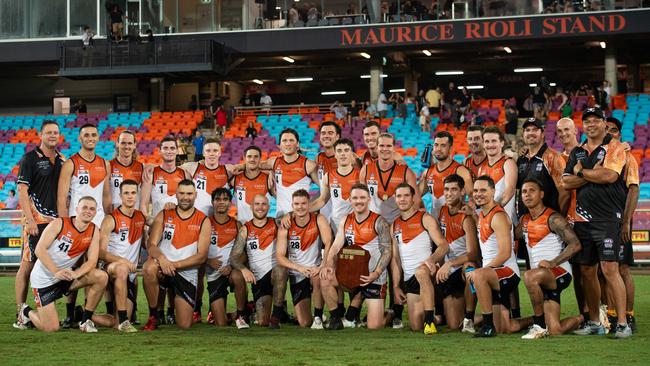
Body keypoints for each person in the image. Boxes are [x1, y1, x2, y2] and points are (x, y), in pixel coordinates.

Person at [562, 107, 632, 338]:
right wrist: (591, 173)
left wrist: (581, 173)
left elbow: (610, 176)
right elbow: (566, 183)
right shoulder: (578, 150)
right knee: (586, 270)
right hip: (583, 219)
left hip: (608, 218)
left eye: (595, 120)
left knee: (610, 268)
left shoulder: (616, 147)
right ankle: (595, 322)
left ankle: (622, 323)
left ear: (603, 123)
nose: (591, 124)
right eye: (587, 121)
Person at [18, 197, 108, 333]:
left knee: (101, 276)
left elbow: (91, 261)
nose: (88, 211)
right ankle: (26, 312)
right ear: (76, 209)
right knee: (51, 328)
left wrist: (76, 274)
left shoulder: (94, 230)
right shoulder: (60, 223)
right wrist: (55, 271)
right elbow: (39, 249)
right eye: (84, 207)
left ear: (95, 212)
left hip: (66, 277)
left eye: (92, 209)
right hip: (44, 280)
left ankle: (85, 320)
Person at [516, 179, 583, 339]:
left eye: (532, 191)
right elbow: (509, 235)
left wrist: (553, 262)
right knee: (555, 330)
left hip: (558, 272)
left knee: (529, 276)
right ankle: (585, 318)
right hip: (541, 279)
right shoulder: (524, 220)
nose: (527, 195)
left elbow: (575, 244)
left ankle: (538, 325)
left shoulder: (553, 218)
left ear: (541, 194)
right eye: (524, 192)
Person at [13, 120, 64, 330]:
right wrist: (31, 219)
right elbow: (23, 191)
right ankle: (21, 312)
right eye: (49, 132)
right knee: (27, 266)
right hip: (37, 223)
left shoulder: (62, 159)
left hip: (57, 224)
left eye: (56, 132)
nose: (52, 135)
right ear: (41, 135)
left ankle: (45, 308)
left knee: (52, 265)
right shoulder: (30, 159)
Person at [320, 183, 392, 330]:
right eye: (355, 198)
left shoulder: (379, 221)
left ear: (369, 199)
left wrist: (376, 273)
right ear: (350, 200)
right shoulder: (345, 220)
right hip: (351, 275)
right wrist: (327, 264)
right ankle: (335, 319)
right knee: (325, 277)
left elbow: (387, 251)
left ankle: (390, 314)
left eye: (362, 198)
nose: (358, 201)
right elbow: (336, 245)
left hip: (373, 278)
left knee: (374, 326)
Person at [465, 176, 531, 337]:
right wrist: (473, 215)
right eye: (475, 190)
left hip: (506, 271)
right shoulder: (482, 214)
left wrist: (482, 271)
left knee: (477, 274)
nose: (478, 194)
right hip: (492, 274)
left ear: (493, 192)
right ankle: (537, 319)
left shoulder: (498, 216)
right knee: (506, 328)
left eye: (483, 190)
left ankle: (487, 327)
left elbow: (505, 253)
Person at [142, 180, 211, 330]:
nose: (185, 197)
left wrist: (175, 265)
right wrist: (162, 259)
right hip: (163, 267)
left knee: (184, 325)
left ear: (195, 195)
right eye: (182, 193)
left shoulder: (203, 220)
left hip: (185, 271)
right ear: (176, 195)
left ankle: (177, 304)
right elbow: (151, 245)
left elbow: (202, 256)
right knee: (148, 268)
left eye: (189, 194)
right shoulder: (165, 214)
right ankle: (153, 315)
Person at [390, 183, 449, 333]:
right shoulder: (394, 225)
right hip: (409, 279)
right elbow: (395, 259)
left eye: (406, 195)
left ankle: (430, 322)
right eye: (399, 196)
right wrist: (396, 286)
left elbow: (443, 245)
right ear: (395, 199)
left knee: (421, 272)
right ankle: (439, 318)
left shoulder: (425, 218)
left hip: (427, 272)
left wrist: (431, 260)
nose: (402, 199)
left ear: (413, 198)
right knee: (416, 326)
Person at [276, 189, 333, 328]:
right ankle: (313, 316)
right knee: (304, 322)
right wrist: (299, 268)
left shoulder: (319, 219)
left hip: (315, 269)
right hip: (298, 273)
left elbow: (328, 242)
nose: (300, 207)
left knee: (318, 276)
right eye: (297, 204)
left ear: (309, 204)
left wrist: (322, 266)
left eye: (303, 203)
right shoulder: (286, 226)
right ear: (292, 205)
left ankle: (318, 316)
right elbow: (279, 256)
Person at [229, 194, 288, 328]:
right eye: (257, 204)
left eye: (263, 204)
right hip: (258, 278)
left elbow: (296, 213)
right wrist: (244, 269)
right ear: (251, 207)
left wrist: (289, 215)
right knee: (262, 322)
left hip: (274, 273)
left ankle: (277, 315)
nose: (260, 207)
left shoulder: (276, 223)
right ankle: (250, 309)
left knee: (281, 270)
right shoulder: (245, 229)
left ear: (268, 207)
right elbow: (234, 257)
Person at [605, 117, 639, 332]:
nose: (609, 133)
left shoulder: (627, 158)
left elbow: (634, 190)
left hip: (619, 220)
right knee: (606, 269)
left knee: (623, 269)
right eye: (606, 129)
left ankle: (628, 315)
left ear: (619, 134)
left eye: (614, 130)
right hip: (601, 220)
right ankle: (611, 314)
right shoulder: (597, 157)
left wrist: (626, 222)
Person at [98, 180, 145, 332]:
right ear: (120, 196)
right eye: (126, 193)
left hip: (129, 273)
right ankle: (124, 320)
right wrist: (122, 260)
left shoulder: (141, 217)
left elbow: (158, 222)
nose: (130, 196)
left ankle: (84, 315)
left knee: (114, 322)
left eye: (133, 193)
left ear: (137, 195)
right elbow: (101, 252)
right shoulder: (110, 219)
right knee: (122, 269)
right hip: (111, 268)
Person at [434, 174, 479, 333]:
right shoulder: (441, 212)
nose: (449, 193)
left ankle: (469, 317)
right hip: (448, 271)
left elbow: (473, 254)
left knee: (470, 269)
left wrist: (450, 263)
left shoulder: (466, 217)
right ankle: (482, 317)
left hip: (460, 268)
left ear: (462, 192)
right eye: (446, 189)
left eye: (454, 189)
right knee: (453, 325)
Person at [205, 188, 249, 328]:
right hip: (214, 275)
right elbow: (195, 249)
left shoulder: (237, 225)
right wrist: (207, 260)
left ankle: (241, 314)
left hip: (230, 271)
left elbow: (244, 253)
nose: (221, 202)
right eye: (218, 199)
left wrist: (232, 266)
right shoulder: (205, 223)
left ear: (230, 203)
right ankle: (227, 315)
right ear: (212, 202)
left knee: (238, 276)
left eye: (225, 199)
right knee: (221, 324)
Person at [58, 124, 111, 227]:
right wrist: (64, 224)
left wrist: (109, 221)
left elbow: (106, 196)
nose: (90, 138)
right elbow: (61, 199)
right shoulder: (70, 164)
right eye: (86, 135)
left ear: (98, 138)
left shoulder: (105, 164)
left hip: (99, 222)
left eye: (93, 135)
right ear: (80, 138)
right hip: (76, 221)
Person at [360, 133, 418, 224]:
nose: (385, 149)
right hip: (373, 224)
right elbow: (361, 200)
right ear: (377, 147)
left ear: (393, 148)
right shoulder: (365, 170)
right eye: (382, 145)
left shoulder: (406, 171)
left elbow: (416, 200)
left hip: (398, 223)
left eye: (388, 146)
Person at [516, 117, 569, 218]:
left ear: (543, 134)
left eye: (535, 130)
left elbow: (565, 192)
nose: (531, 133)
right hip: (525, 221)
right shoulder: (521, 159)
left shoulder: (553, 157)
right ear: (523, 134)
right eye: (527, 130)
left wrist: (558, 218)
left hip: (547, 222)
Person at [418, 131, 473, 218]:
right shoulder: (428, 172)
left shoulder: (460, 171)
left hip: (455, 224)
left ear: (450, 148)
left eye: (443, 145)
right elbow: (415, 196)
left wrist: (469, 207)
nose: (439, 149)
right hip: (435, 225)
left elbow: (472, 196)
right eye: (436, 145)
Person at [310, 139, 360, 233]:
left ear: (352, 154)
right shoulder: (327, 176)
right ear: (335, 155)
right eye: (339, 151)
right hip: (336, 224)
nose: (343, 154)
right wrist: (301, 210)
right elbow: (322, 200)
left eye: (346, 150)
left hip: (356, 225)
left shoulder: (361, 175)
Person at [267, 128, 319, 217]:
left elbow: (327, 189)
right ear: (279, 146)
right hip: (281, 219)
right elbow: (252, 165)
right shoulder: (273, 163)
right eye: (284, 140)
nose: (288, 143)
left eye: (291, 140)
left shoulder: (309, 165)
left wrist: (311, 206)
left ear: (298, 144)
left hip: (301, 218)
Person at [140, 136, 191, 223]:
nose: (169, 151)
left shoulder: (185, 174)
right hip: (158, 224)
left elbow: (190, 202)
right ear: (160, 151)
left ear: (177, 151)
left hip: (180, 224)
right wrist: (149, 222)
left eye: (172, 148)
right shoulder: (151, 173)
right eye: (165, 148)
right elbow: (144, 205)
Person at [180, 138, 236, 216]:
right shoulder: (192, 167)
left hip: (219, 221)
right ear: (203, 153)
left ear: (220, 153)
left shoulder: (228, 170)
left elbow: (250, 168)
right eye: (208, 151)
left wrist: (241, 167)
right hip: (198, 219)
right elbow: (168, 169)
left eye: (215, 151)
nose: (211, 154)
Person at [478, 126, 517, 222]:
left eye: (494, 141)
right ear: (483, 144)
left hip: (503, 220)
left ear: (502, 143)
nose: (490, 145)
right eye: (487, 141)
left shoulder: (508, 163)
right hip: (486, 222)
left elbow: (509, 191)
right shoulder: (481, 168)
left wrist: (492, 211)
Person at [231, 146, 275, 223]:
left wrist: (272, 172)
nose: (252, 159)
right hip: (242, 228)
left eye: (256, 157)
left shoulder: (268, 179)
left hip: (262, 229)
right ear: (244, 158)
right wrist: (239, 167)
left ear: (260, 159)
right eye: (249, 156)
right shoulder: (234, 179)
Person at [110, 130, 144, 209]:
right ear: (117, 144)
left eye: (130, 143)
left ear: (134, 145)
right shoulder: (108, 166)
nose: (126, 147)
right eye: (123, 143)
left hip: (133, 214)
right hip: (114, 214)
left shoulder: (142, 168)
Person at [316, 122, 341, 221]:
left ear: (337, 136)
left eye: (330, 133)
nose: (326, 136)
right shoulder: (319, 157)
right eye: (323, 133)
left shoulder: (349, 158)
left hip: (343, 213)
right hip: (324, 212)